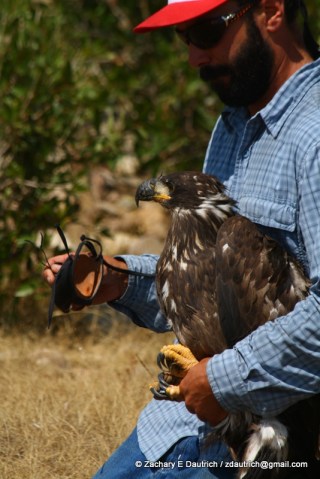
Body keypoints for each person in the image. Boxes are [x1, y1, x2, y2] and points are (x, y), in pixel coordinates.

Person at [43, 1, 320, 477]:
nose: (194, 56)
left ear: (272, 10)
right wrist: (120, 280)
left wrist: (223, 380)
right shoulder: (235, 122)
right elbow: (221, 287)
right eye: (184, 38)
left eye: (207, 30)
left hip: (271, 442)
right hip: (181, 424)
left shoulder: (313, 136)